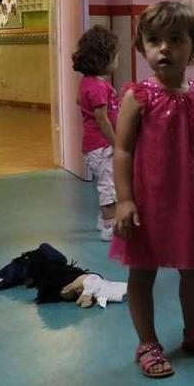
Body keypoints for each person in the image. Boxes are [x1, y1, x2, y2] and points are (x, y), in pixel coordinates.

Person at [110, 1, 194, 379]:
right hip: (149, 202)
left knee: (193, 271)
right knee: (143, 272)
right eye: (154, 41)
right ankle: (147, 342)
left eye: (175, 39)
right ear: (142, 47)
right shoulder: (138, 96)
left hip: (191, 201)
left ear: (193, 46)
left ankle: (193, 333)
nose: (164, 48)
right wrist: (125, 200)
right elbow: (123, 149)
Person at [72, 25, 120, 241]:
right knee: (109, 184)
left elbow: (79, 100)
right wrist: (116, 143)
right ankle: (110, 226)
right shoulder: (99, 86)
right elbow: (102, 118)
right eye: (116, 56)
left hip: (93, 145)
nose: (118, 61)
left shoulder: (88, 82)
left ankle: (104, 219)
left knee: (108, 181)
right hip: (102, 145)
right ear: (104, 59)